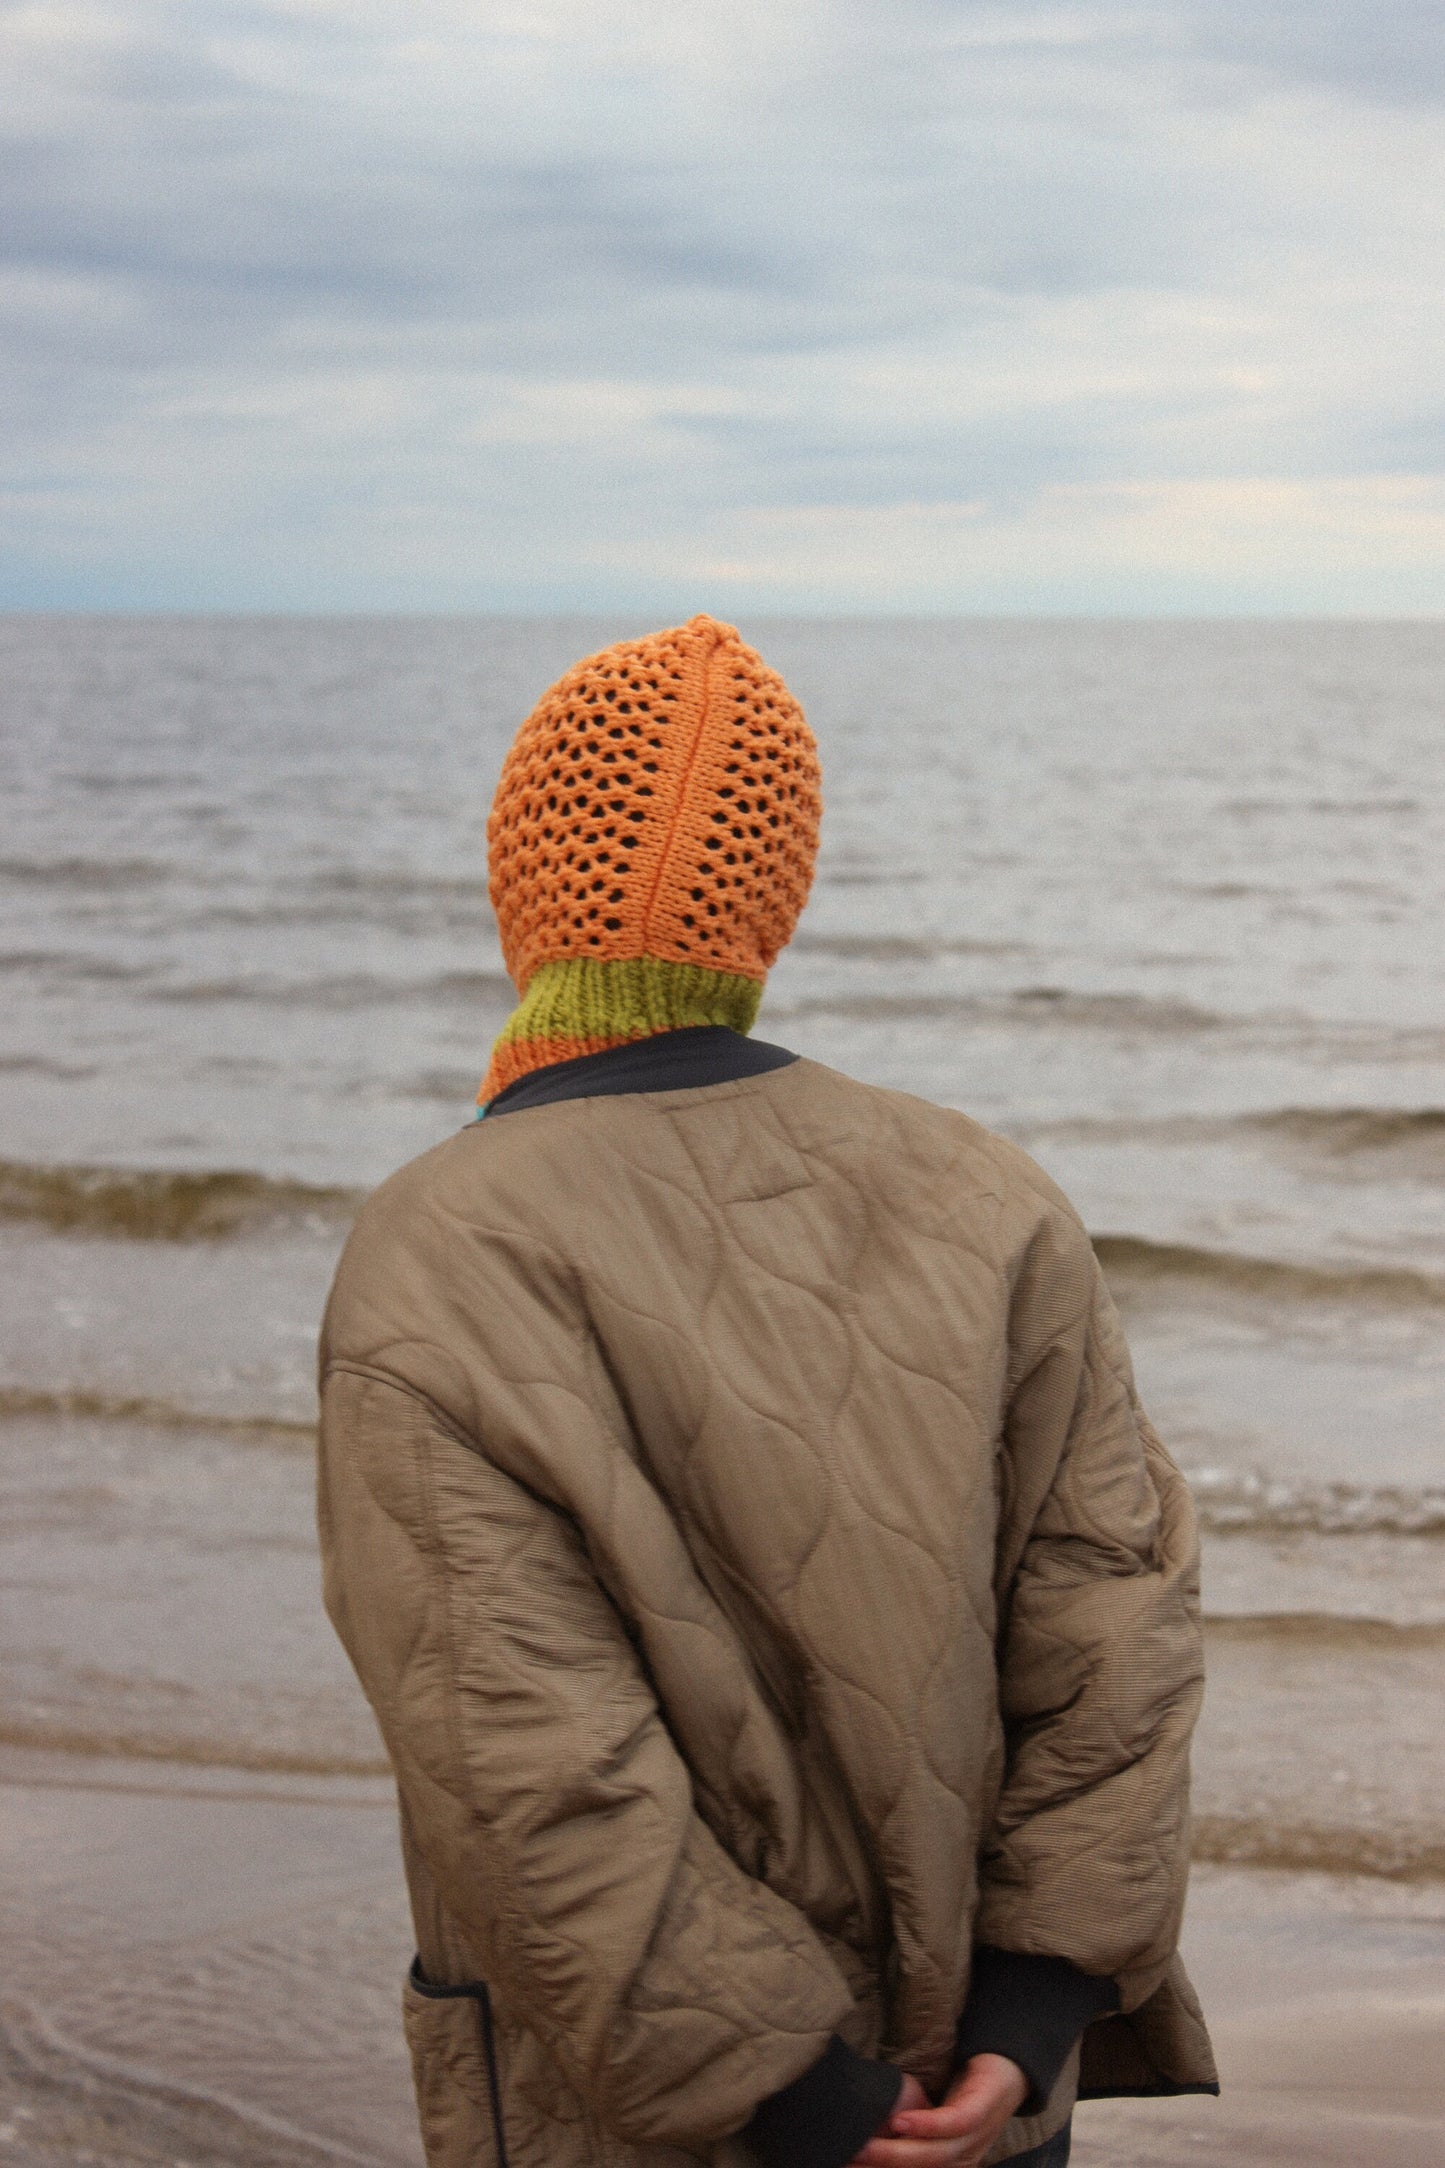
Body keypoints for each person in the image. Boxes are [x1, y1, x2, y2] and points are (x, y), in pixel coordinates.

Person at [317, 616, 1218, 2168]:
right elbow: (1116, 1633)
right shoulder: (984, 1191)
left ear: (517, 885)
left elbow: (524, 1758)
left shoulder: (436, 1247)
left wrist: (796, 2092)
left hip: (663, 2119)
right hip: (980, 2097)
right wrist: (1025, 2013)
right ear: (769, 909)